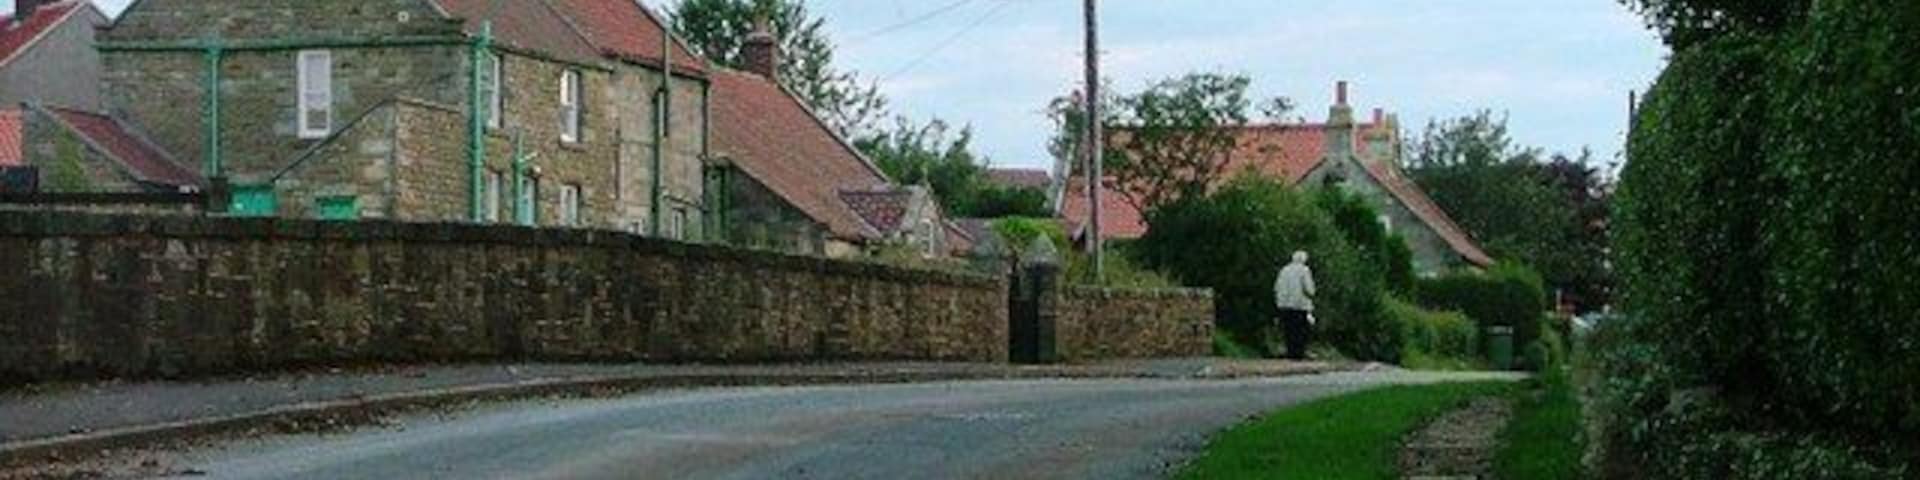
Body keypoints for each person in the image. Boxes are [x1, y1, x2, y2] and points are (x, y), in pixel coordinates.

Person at [1272, 250, 1317, 360]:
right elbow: (1309, 289)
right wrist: (1312, 294)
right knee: (1300, 330)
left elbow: (1276, 287)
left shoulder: (1284, 270)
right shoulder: (1304, 270)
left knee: (1289, 329)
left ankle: (1290, 351)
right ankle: (1298, 353)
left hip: (1284, 305)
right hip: (1299, 305)